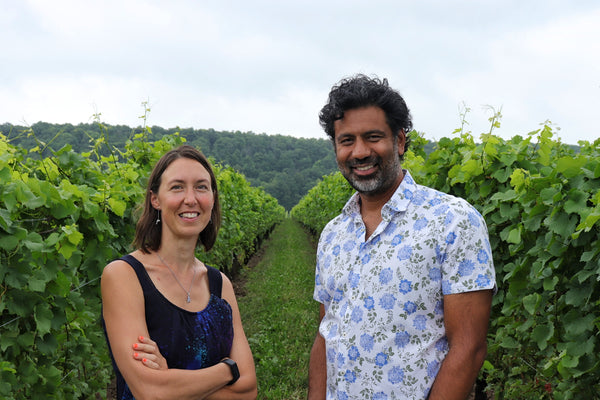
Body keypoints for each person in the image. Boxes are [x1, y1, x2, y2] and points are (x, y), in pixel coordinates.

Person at [307, 75, 496, 400]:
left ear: (400, 141)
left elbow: (469, 348)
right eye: (347, 140)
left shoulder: (453, 222)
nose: (360, 152)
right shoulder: (332, 235)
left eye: (373, 137)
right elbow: (327, 335)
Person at [101, 145, 257, 400]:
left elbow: (248, 390)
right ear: (155, 199)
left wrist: (170, 377)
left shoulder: (219, 284)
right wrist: (227, 371)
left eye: (201, 187)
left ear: (213, 198)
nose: (191, 198)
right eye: (177, 187)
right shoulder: (125, 276)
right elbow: (151, 392)